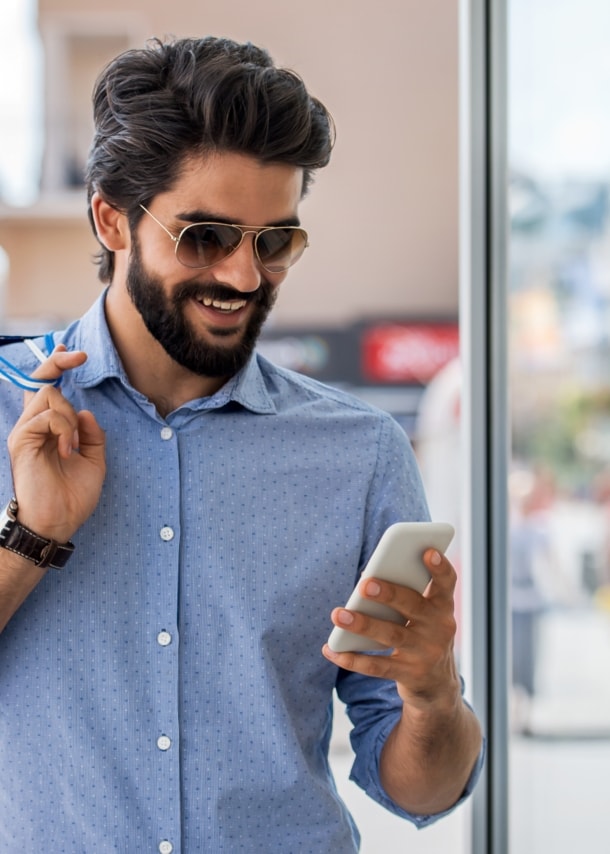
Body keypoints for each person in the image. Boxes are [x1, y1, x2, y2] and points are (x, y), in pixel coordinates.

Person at [0, 36, 483, 852]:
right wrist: (32, 538)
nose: (245, 277)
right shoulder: (10, 411)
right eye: (205, 238)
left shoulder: (359, 452)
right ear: (111, 217)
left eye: (274, 242)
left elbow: (420, 793)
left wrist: (433, 696)